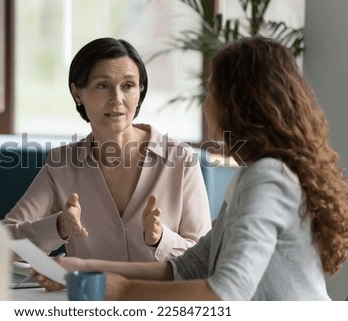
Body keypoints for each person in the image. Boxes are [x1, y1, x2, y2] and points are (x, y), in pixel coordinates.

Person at [34, 36, 348, 300]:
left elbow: (227, 292)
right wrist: (85, 267)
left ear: (238, 105)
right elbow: (189, 268)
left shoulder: (266, 178)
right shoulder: (253, 174)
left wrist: (121, 289)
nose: (204, 103)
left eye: (211, 92)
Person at [2, 37, 211, 263]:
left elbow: (204, 261)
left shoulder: (180, 160)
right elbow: (4, 244)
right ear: (77, 93)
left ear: (140, 93)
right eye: (103, 85)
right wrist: (59, 226)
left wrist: (161, 239)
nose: (117, 99)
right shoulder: (61, 164)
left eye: (128, 86)